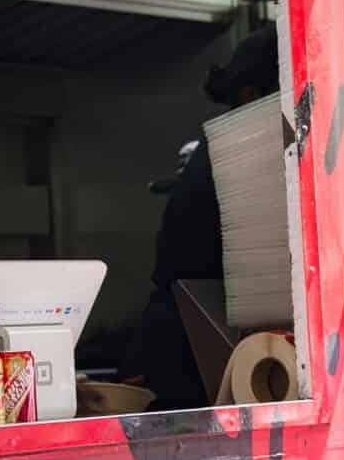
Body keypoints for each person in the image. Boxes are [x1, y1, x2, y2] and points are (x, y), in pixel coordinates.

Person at [117, 24, 280, 409]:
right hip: (182, 346)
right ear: (251, 95)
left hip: (190, 339)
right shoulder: (238, 150)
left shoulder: (222, 148)